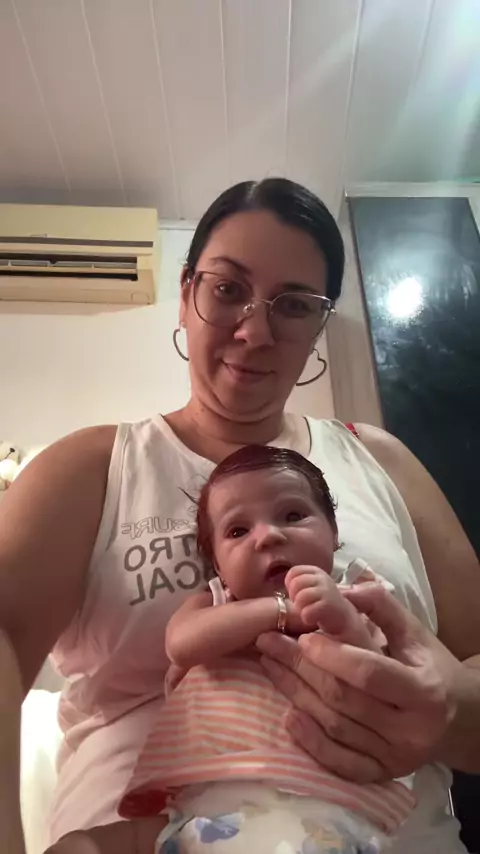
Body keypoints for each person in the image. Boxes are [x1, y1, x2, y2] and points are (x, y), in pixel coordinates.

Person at [0, 178, 478, 854]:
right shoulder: (92, 467)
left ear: (319, 327)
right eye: (227, 289)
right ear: (186, 294)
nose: (255, 331)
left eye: (294, 305)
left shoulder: (381, 459)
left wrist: (447, 711)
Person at [119, 444, 414, 854]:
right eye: (238, 531)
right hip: (206, 806)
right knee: (85, 843)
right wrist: (282, 611)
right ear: (218, 567)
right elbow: (181, 645)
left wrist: (342, 620)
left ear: (333, 534)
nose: (268, 536)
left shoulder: (358, 596)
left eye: (292, 515)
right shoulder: (216, 604)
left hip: (327, 811)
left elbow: (380, 683)